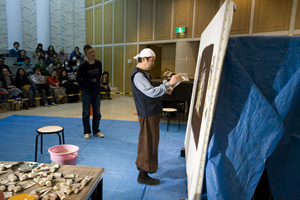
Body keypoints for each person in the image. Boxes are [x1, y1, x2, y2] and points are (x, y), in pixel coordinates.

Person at [131, 48, 182, 185]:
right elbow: (151, 92)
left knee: (151, 142)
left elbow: (150, 91)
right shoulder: (138, 75)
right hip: (147, 113)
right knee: (147, 143)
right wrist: (168, 83)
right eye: (152, 61)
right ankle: (143, 174)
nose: (153, 63)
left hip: (150, 112)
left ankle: (145, 170)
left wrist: (165, 89)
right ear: (143, 59)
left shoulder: (143, 73)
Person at [76, 45, 103, 139]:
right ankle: (87, 131)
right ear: (86, 55)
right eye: (90, 53)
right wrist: (82, 88)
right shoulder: (82, 66)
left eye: (93, 51)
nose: (92, 54)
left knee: (97, 113)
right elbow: (78, 78)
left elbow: (99, 75)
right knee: (86, 113)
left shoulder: (99, 63)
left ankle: (96, 130)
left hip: (96, 91)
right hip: (86, 92)